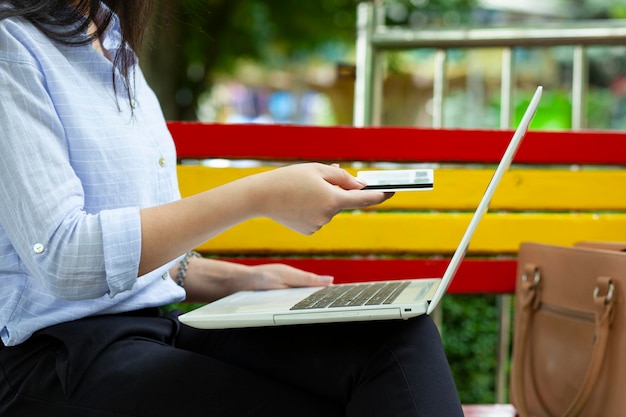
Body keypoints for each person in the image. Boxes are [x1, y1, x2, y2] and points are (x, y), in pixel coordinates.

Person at [0, 1, 465, 416]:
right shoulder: (12, 44)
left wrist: (241, 280)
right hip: (53, 359)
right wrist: (260, 195)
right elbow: (63, 257)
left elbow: (132, 253)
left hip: (153, 330)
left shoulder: (112, 40)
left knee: (397, 340)